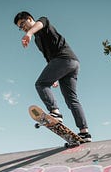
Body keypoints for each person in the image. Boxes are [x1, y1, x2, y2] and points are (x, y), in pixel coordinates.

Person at [14, 11, 91, 142]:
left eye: (23, 24)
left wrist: (29, 33)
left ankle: (55, 111)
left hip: (64, 59)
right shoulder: (38, 41)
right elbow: (49, 58)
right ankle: (84, 132)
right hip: (71, 63)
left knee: (40, 84)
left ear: (29, 19)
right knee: (71, 99)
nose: (23, 28)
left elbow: (40, 23)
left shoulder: (42, 22)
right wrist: (54, 76)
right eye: (20, 28)